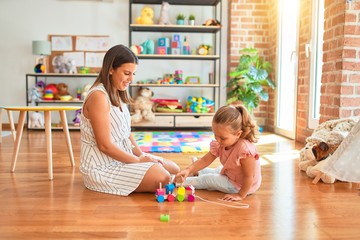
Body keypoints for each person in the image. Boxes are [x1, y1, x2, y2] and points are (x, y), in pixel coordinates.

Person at [79, 44, 180, 196]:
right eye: (127, 73)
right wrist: (138, 161)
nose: (131, 79)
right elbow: (104, 145)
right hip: (102, 167)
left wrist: (141, 155)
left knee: (174, 169)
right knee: (163, 177)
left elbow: (126, 133)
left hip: (123, 158)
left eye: (133, 73)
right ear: (111, 69)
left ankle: (176, 179)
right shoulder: (99, 97)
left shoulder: (118, 93)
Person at [176, 104, 261, 201]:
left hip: (241, 186)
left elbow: (249, 176)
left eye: (222, 138)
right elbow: (204, 160)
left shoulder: (245, 150)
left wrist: (240, 195)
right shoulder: (221, 143)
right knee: (215, 170)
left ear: (238, 134)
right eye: (215, 135)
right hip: (231, 173)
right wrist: (188, 170)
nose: (218, 140)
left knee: (208, 179)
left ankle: (177, 182)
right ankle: (196, 171)